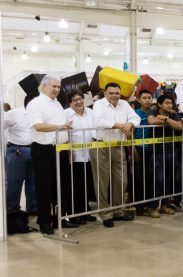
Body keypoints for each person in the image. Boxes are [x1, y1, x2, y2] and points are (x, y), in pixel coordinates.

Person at [27, 75, 77, 234]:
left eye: (58, 87)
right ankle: (44, 222)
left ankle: (60, 219)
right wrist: (61, 127)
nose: (57, 89)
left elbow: (63, 127)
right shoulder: (35, 104)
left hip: (60, 149)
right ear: (44, 87)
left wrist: (67, 146)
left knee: (60, 186)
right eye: (53, 86)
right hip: (43, 149)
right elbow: (38, 126)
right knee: (44, 187)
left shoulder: (57, 104)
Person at [91, 82, 140, 228]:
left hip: (118, 147)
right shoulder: (98, 105)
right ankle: (105, 214)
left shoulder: (124, 104)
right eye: (111, 93)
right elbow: (98, 121)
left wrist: (130, 124)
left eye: (117, 93)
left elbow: (136, 118)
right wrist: (120, 125)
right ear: (105, 93)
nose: (114, 96)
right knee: (102, 182)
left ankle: (118, 211)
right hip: (101, 146)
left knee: (121, 180)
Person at [65, 90, 97, 224]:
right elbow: (65, 135)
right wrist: (68, 153)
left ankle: (85, 211)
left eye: (80, 99)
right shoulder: (66, 114)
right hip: (75, 155)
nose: (78, 102)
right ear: (70, 103)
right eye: (75, 100)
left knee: (87, 185)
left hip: (91, 154)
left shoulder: (91, 112)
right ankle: (74, 214)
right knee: (75, 185)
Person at [148, 94, 183, 215]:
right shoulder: (153, 111)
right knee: (158, 179)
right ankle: (153, 207)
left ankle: (164, 205)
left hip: (171, 151)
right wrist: (169, 122)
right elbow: (151, 121)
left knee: (168, 180)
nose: (169, 105)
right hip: (156, 151)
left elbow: (179, 126)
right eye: (167, 103)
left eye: (171, 103)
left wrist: (165, 119)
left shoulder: (172, 114)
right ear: (159, 104)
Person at [4, 94, 38, 215]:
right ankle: (11, 210)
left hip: (34, 150)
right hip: (17, 151)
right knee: (15, 182)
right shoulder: (14, 114)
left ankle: (33, 209)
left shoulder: (37, 115)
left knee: (33, 181)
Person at [133, 90, 159, 217]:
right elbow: (131, 133)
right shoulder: (135, 114)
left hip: (152, 149)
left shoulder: (154, 113)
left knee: (152, 178)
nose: (147, 100)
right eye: (144, 98)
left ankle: (152, 206)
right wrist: (132, 149)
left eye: (149, 98)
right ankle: (139, 206)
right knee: (139, 179)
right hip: (138, 149)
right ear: (139, 100)